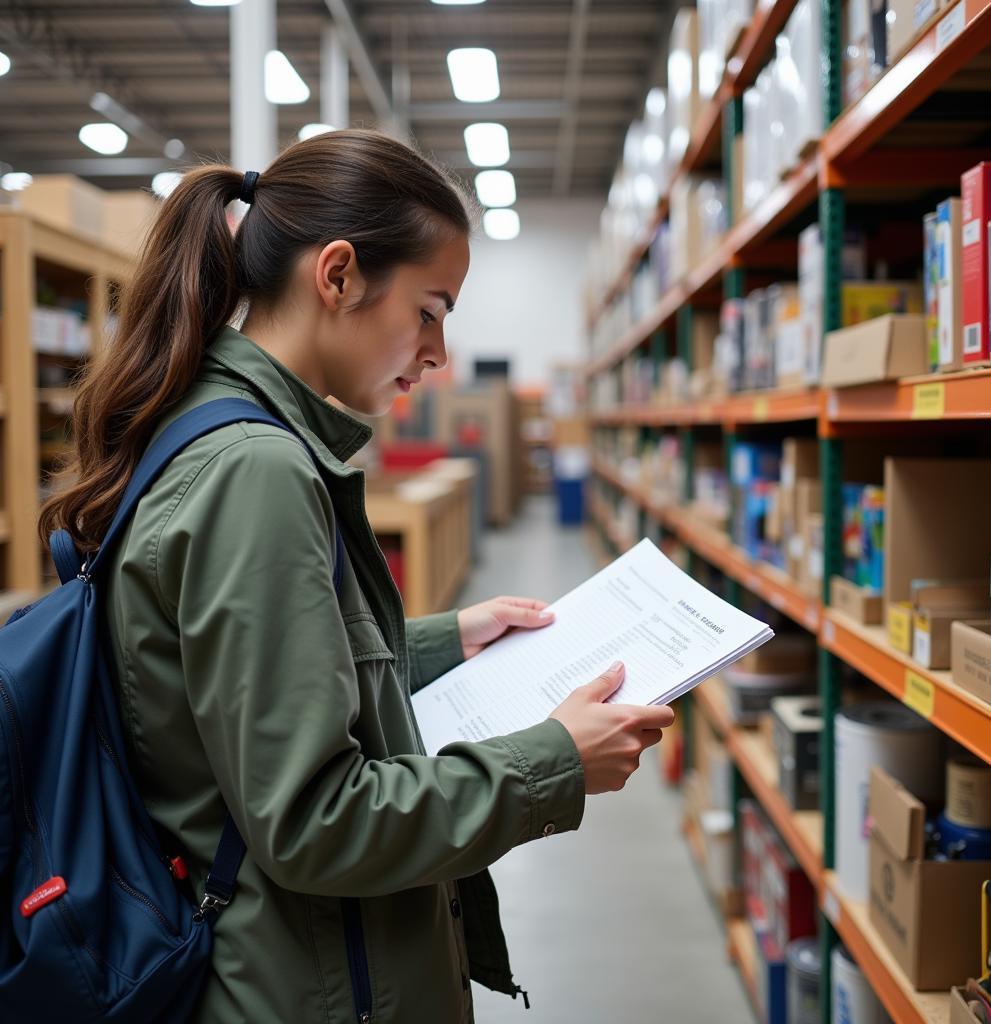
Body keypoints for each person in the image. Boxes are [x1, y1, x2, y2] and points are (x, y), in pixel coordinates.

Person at [40, 129, 674, 1023]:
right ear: (336, 276)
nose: (439, 352)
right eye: (429, 309)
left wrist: (447, 641)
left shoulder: (217, 427)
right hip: (300, 986)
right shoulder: (255, 469)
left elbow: (236, 679)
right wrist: (552, 764)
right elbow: (315, 820)